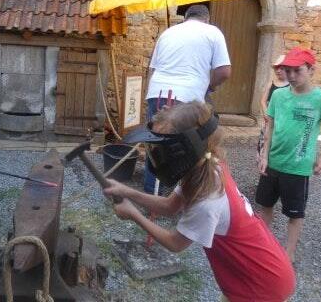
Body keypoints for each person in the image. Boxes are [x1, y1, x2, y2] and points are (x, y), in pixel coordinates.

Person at [104, 101, 295, 302]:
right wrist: (126, 191)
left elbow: (175, 243)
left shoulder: (207, 199)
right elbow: (170, 206)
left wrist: (133, 214)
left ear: (185, 148)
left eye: (162, 147)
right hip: (261, 270)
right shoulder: (205, 165)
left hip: (263, 284)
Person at [257, 47, 321, 263]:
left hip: (298, 166)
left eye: (297, 71)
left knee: (295, 213)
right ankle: (263, 247)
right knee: (265, 205)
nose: (291, 76)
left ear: (311, 70)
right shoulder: (279, 95)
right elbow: (270, 126)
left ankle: (288, 254)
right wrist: (264, 155)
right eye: (288, 70)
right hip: (273, 161)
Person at [143, 4, 231, 194]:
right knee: (189, 148)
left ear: (185, 18)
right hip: (186, 96)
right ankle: (182, 196)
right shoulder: (212, 32)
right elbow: (224, 71)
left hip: (156, 92)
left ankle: (153, 192)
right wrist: (210, 85)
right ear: (206, 18)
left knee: (156, 143)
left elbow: (152, 69)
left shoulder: (168, 33)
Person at [257, 55, 289, 159]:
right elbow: (263, 100)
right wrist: (266, 113)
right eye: (277, 68)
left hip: (283, 120)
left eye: (282, 68)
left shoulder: (291, 86)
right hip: (269, 119)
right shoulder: (271, 84)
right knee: (265, 140)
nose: (278, 71)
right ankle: (262, 160)